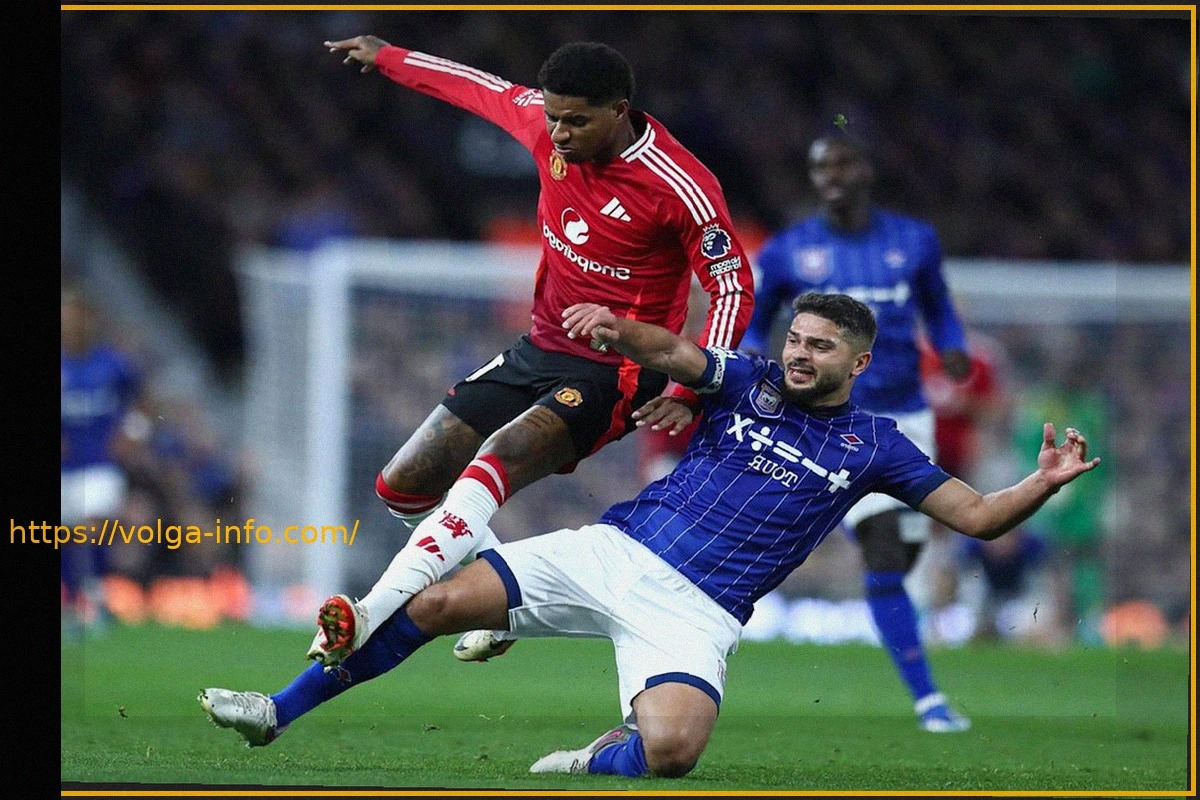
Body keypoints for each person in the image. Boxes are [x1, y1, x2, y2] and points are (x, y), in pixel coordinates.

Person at [200, 293, 1099, 778]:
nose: (800, 354)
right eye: (796, 339)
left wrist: (1041, 484)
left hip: (699, 611)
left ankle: (601, 755)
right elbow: (675, 354)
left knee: (671, 753)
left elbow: (977, 516)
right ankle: (277, 711)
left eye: (821, 347)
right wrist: (618, 329)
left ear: (858, 362)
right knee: (433, 604)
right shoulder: (747, 380)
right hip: (613, 552)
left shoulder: (877, 445)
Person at [307, 37, 755, 664]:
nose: (560, 134)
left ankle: (368, 613)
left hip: (621, 369)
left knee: (500, 455)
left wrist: (693, 386)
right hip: (541, 346)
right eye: (553, 117)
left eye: (577, 121)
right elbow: (474, 86)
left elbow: (732, 286)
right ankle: (505, 598)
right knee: (404, 484)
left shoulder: (679, 184)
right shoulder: (544, 127)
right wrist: (387, 56)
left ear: (619, 111)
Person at [738, 132, 974, 731]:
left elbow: (938, 306)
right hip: (835, 422)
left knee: (902, 556)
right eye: (821, 167)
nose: (832, 176)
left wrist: (951, 346)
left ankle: (913, 662)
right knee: (885, 544)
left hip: (908, 415)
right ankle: (928, 699)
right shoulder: (789, 250)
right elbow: (757, 319)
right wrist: (748, 361)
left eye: (842, 164)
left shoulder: (914, 241)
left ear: (865, 169)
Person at [60, 287, 144, 626]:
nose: (69, 325)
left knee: (92, 529)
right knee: (66, 535)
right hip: (65, 467)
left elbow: (142, 401)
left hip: (100, 464)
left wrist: (133, 432)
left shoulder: (114, 365)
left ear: (89, 320)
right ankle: (74, 603)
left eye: (74, 317)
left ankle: (94, 598)